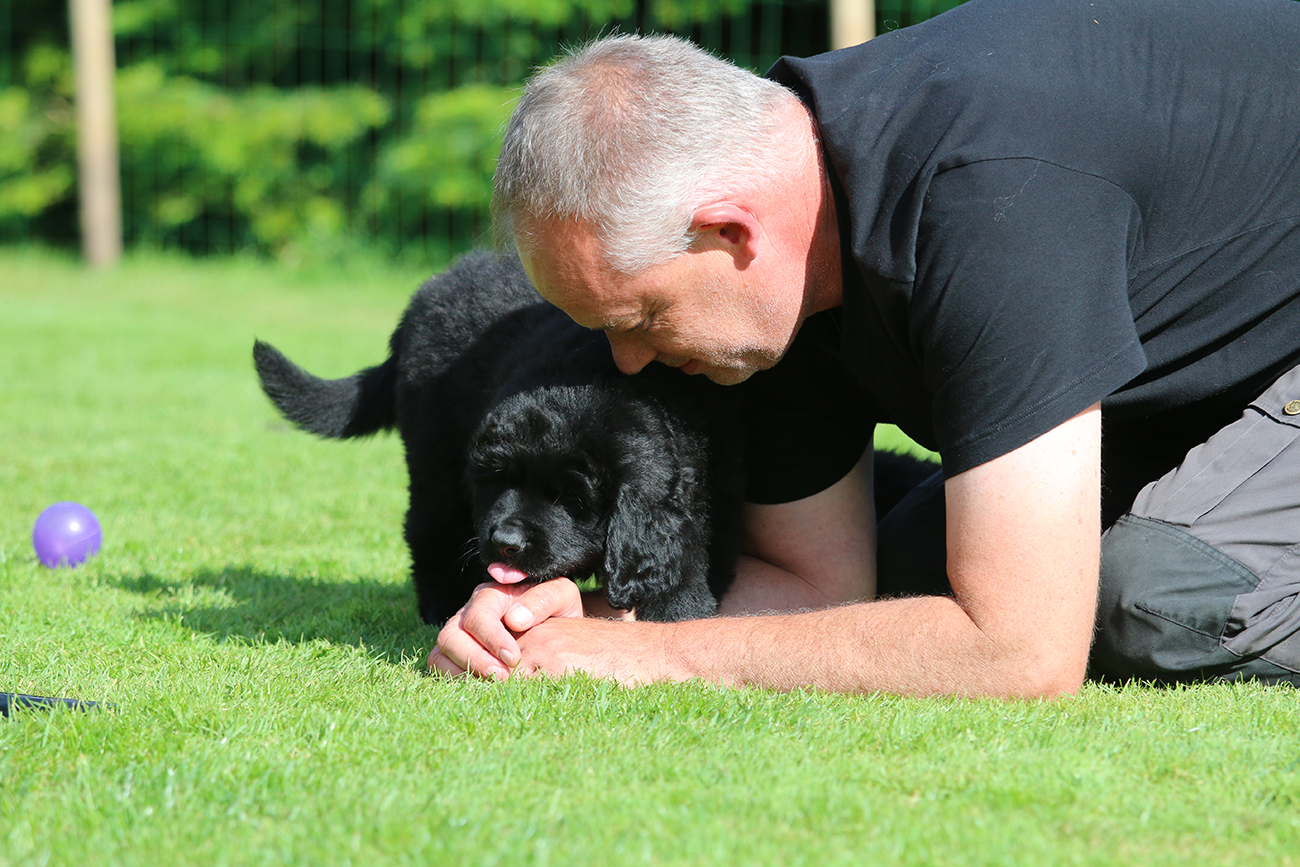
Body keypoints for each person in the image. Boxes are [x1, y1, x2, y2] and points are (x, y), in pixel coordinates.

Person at [429, 0, 1300, 697]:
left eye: (641, 317)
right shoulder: (779, 267)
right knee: (910, 574)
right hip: (1201, 381)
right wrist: (581, 624)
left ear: (730, 232)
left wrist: (660, 658)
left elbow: (1018, 652)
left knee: (1152, 596)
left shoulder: (987, 198)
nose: (628, 362)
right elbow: (817, 587)